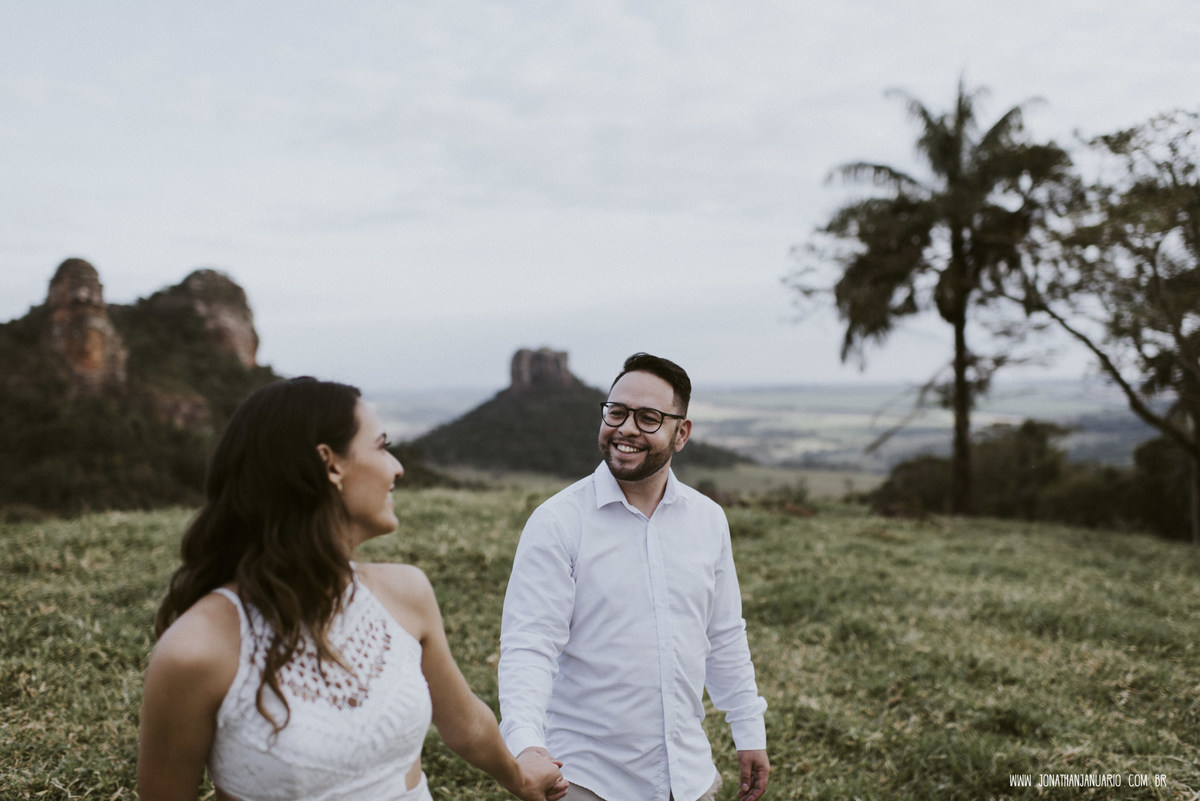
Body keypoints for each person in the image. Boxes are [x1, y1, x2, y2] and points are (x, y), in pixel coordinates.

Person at [138, 376, 569, 801]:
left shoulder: (406, 592)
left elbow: (465, 723)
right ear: (330, 465)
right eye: (381, 447)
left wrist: (520, 777)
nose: (397, 467)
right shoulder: (194, 652)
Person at [498, 353, 771, 801]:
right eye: (617, 412)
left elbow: (723, 635)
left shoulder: (708, 520)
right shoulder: (558, 522)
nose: (626, 428)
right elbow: (529, 647)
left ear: (680, 433)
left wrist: (748, 729)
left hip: (689, 778)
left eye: (648, 418)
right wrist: (527, 744)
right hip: (586, 779)